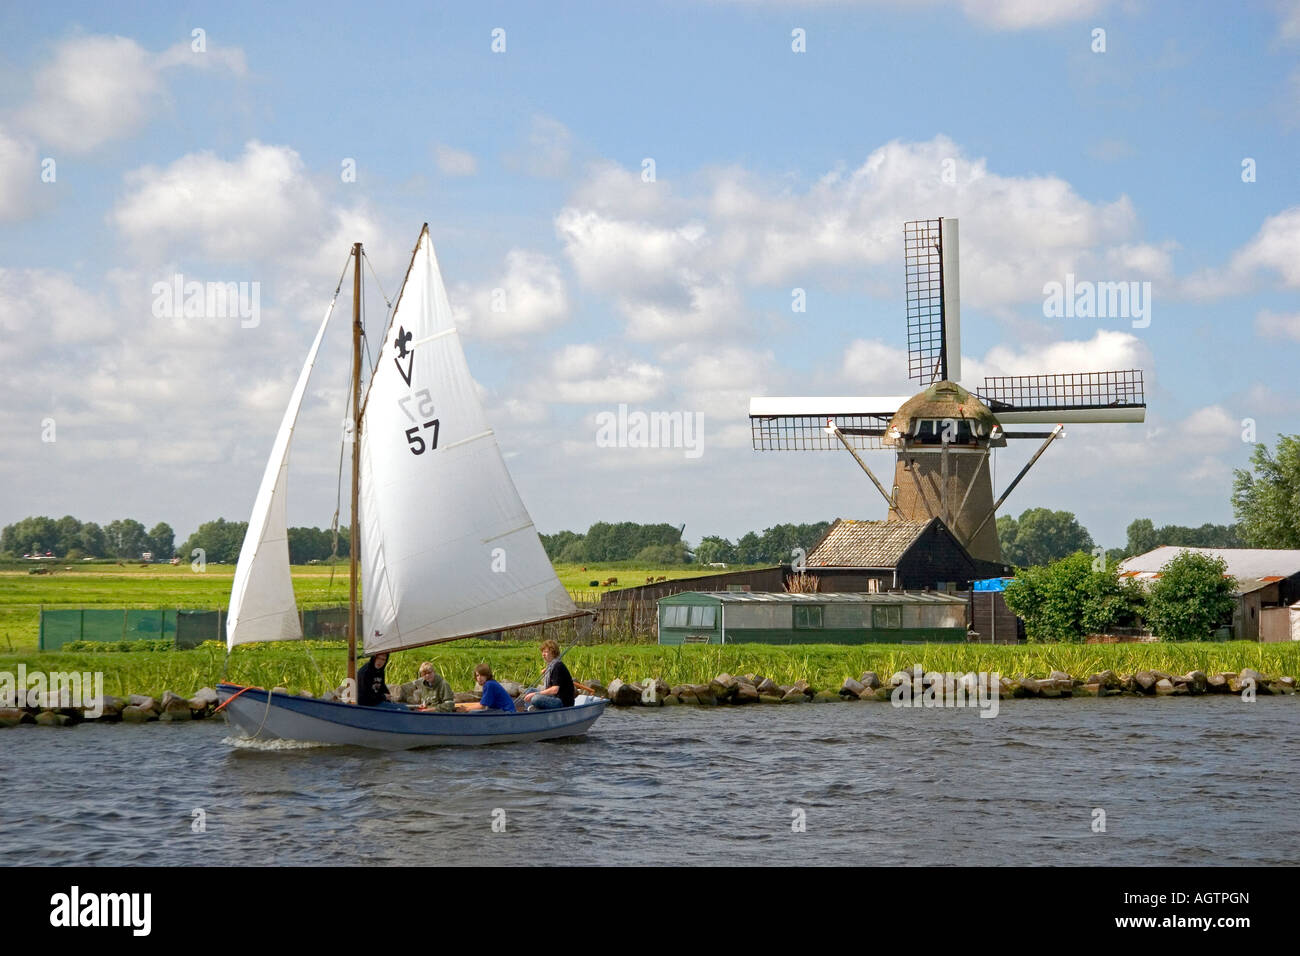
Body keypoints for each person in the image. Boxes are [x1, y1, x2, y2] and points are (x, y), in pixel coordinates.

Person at [523, 639, 575, 710]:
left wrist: (535, 694)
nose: (543, 654)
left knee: (535, 698)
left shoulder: (558, 666)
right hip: (553, 697)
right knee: (529, 691)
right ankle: (530, 710)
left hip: (563, 702)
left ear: (553, 653)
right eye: (542, 652)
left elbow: (554, 690)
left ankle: (536, 710)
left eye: (546, 652)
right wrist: (546, 671)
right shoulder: (551, 666)